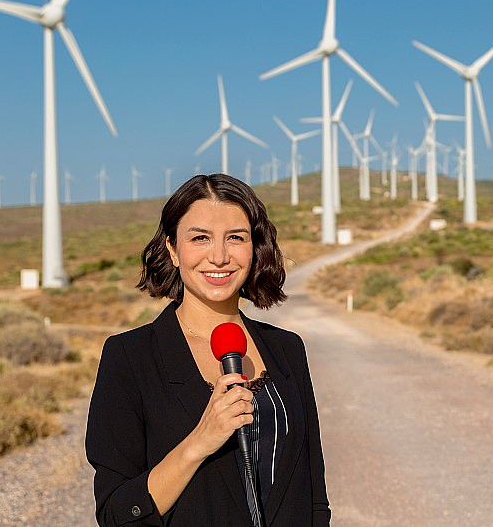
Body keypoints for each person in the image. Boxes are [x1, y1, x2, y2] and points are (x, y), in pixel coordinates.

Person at [85, 174, 331, 526]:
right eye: (200, 238)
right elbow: (115, 513)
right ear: (172, 249)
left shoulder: (287, 349)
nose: (219, 256)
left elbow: (313, 492)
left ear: (254, 247)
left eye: (236, 238)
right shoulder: (130, 357)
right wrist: (200, 441)